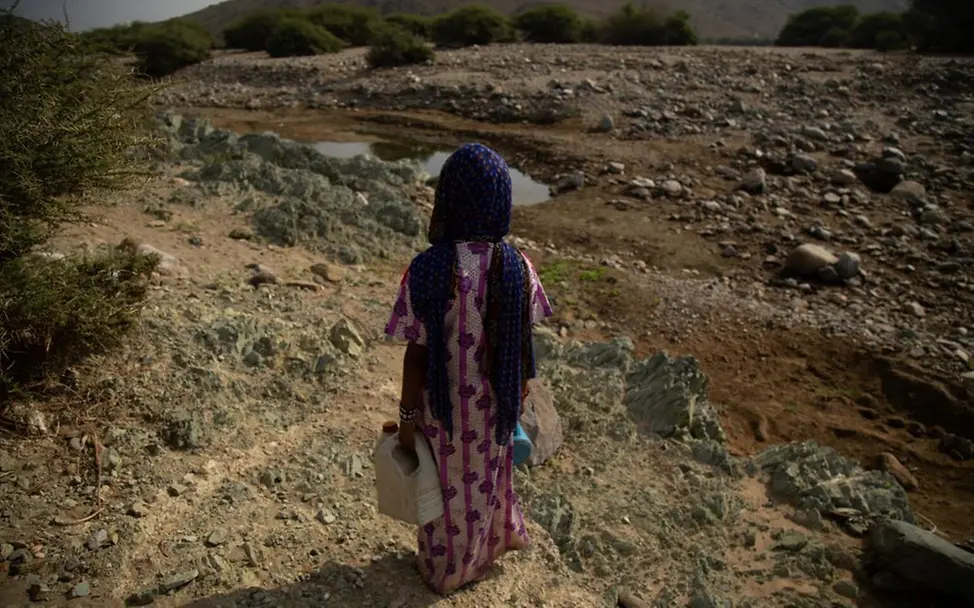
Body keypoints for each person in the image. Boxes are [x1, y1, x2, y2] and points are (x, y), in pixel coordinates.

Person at [385, 142, 552, 594]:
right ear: (501, 199)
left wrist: (405, 419)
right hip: (494, 409)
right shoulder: (517, 266)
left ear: (448, 198)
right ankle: (483, 554)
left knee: (442, 492)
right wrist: (518, 396)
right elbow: (522, 340)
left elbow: (416, 353)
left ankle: (446, 570)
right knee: (486, 486)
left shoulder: (427, 269)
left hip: (442, 412)